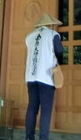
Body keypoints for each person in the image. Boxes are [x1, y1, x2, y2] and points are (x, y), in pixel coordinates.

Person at [24, 12, 64, 140]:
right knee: (46, 110)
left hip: (31, 76)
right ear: (50, 25)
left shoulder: (29, 36)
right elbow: (59, 51)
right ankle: (43, 138)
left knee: (32, 107)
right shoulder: (53, 34)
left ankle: (29, 137)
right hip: (46, 77)